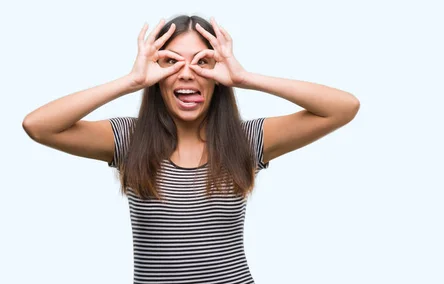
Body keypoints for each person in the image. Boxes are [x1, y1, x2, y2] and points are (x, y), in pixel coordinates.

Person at [22, 14, 359, 284]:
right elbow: (38, 125)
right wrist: (131, 81)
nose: (187, 74)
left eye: (202, 62)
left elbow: (343, 107)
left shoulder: (246, 140)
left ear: (217, 76)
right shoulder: (128, 138)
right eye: (170, 63)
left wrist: (245, 77)